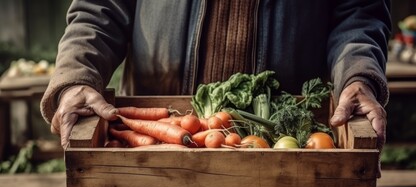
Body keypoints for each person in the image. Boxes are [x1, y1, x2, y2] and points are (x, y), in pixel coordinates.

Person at [40, 0, 391, 166]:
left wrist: (357, 73)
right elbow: (99, 10)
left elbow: (359, 13)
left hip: (281, 156)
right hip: (155, 154)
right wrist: (77, 75)